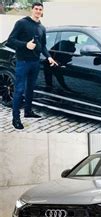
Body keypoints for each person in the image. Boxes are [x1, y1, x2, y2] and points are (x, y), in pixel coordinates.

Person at [7, 2, 58, 130]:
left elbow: (43, 45)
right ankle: (16, 119)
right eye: (36, 9)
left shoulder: (42, 28)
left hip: (35, 62)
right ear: (32, 10)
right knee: (19, 90)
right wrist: (25, 45)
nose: (38, 11)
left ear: (42, 11)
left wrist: (49, 57)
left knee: (30, 88)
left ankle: (28, 111)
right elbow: (10, 40)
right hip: (23, 62)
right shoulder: (22, 23)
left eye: (40, 9)